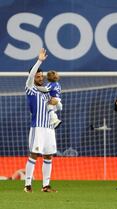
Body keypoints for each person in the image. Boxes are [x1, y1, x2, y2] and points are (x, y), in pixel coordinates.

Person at [24, 48, 58, 193]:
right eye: (38, 76)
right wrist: (39, 61)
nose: (40, 78)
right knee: (34, 154)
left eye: (41, 76)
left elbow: (53, 105)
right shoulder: (30, 88)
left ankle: (46, 185)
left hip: (49, 127)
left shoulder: (46, 91)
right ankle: (27, 185)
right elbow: (31, 76)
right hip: (37, 127)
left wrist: (56, 103)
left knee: (48, 155)